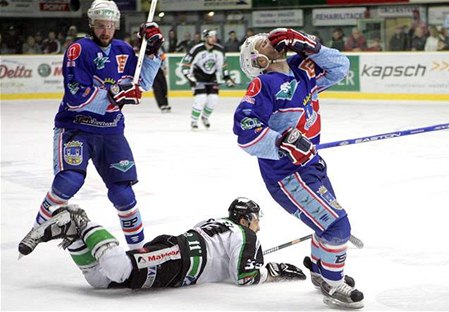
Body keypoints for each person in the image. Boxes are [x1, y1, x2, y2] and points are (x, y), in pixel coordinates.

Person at [18, 0, 164, 256]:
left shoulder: (122, 49)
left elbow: (142, 83)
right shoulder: (79, 49)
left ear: (116, 25)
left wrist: (150, 52)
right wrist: (114, 95)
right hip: (76, 127)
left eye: (110, 25)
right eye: (100, 26)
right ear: (91, 25)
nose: (105, 31)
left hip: (111, 131)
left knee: (123, 193)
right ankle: (37, 229)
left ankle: (139, 249)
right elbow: (75, 95)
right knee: (69, 180)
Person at [234, 28, 364, 309]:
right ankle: (333, 282)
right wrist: (282, 142)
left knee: (325, 222)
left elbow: (341, 67)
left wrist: (309, 44)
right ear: (258, 60)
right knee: (336, 224)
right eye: (262, 43)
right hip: (286, 174)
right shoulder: (264, 84)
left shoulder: (303, 68)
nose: (270, 40)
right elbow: (245, 129)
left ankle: (320, 272)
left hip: (311, 165)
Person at [18, 198, 307, 289]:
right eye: (256, 218)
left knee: (99, 280)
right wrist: (271, 270)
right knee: (118, 271)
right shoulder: (247, 235)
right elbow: (243, 277)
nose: (259, 223)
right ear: (246, 219)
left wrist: (252, 260)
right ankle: (81, 221)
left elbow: (223, 261)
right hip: (180, 261)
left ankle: (72, 237)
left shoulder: (217, 221)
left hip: (178, 255)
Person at [181, 29, 234, 130]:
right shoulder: (196, 49)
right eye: (211, 36)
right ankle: (194, 121)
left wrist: (227, 78)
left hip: (211, 77)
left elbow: (222, 66)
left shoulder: (219, 50)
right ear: (205, 38)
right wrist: (190, 77)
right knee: (201, 98)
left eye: (214, 36)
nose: (214, 39)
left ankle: (205, 117)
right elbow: (185, 64)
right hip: (198, 77)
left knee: (213, 99)